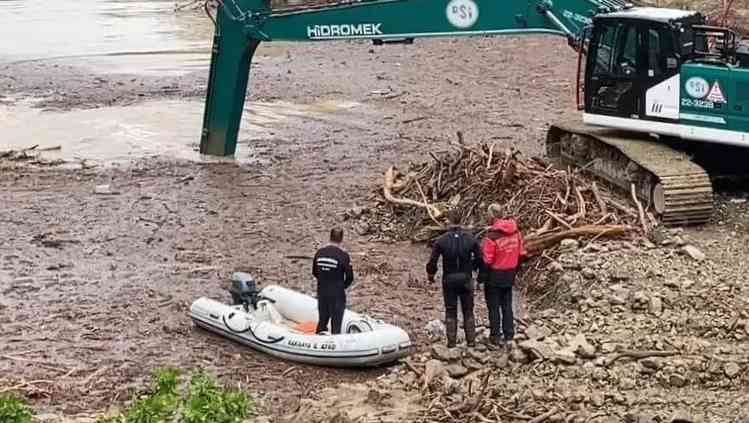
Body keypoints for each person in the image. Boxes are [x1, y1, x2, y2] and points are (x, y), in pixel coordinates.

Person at [426, 209, 482, 348]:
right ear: (461, 221)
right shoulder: (471, 239)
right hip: (466, 278)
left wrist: (431, 275)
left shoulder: (441, 240)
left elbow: (433, 261)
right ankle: (471, 342)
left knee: (450, 310)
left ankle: (451, 344)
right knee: (468, 310)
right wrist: (474, 270)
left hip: (449, 279)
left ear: (449, 222)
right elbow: (481, 259)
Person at [481, 216, 526, 350]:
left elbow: (487, 260)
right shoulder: (516, 233)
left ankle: (495, 337)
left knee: (493, 306)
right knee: (507, 305)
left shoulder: (492, 236)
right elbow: (521, 253)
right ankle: (509, 335)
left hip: (494, 275)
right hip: (510, 273)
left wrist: (481, 277)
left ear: (492, 218)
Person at [312, 228, 354, 334]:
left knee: (322, 321)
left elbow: (315, 272)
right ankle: (334, 345)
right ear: (341, 239)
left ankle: (318, 342)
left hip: (322, 292)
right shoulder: (343, 256)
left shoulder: (319, 253)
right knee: (336, 325)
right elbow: (350, 277)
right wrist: (341, 286)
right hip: (336, 294)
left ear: (330, 237)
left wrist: (324, 280)